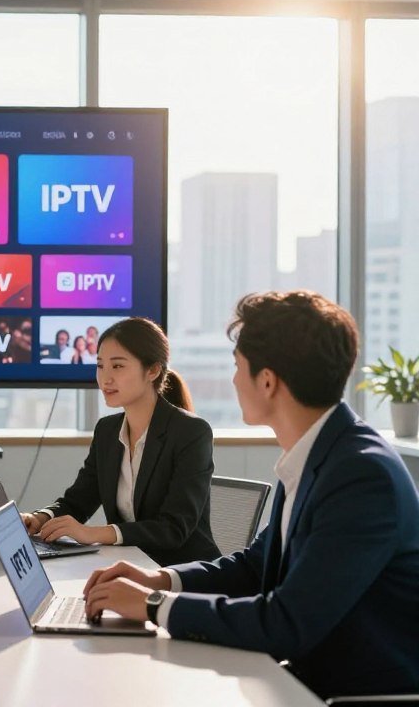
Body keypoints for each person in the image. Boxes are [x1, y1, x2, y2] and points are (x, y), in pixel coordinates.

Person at [83, 292, 419, 700]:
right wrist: (160, 579)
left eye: (237, 367)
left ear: (267, 381)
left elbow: (286, 623)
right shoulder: (318, 454)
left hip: (347, 695)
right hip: (302, 679)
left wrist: (153, 604)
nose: (233, 381)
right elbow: (254, 566)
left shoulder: (361, 475)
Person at [21, 317, 220, 567]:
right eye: (100, 366)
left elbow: (174, 528)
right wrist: (40, 518)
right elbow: (78, 501)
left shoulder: (191, 432)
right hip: (130, 564)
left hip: (183, 572)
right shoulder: (107, 431)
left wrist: (93, 533)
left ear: (152, 371)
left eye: (117, 366)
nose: (105, 378)